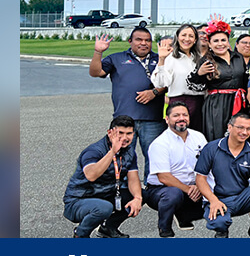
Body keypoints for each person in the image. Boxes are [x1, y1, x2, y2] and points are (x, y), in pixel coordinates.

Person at [90, 27, 166, 184]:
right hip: (124, 119)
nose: (143, 43)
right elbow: (96, 72)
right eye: (139, 39)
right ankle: (124, 189)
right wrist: (98, 52)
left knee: (155, 156)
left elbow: (169, 80)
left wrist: (154, 92)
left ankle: (152, 189)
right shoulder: (117, 59)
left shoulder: (160, 59)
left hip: (152, 119)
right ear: (130, 41)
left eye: (147, 40)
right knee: (123, 156)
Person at [194, 113, 250, 238]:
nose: (244, 132)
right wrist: (213, 200)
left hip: (242, 198)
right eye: (240, 127)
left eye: (248, 129)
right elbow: (200, 179)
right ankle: (222, 233)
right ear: (229, 127)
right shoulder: (211, 148)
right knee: (219, 223)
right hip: (218, 199)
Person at [64, 115, 143, 238]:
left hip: (107, 194)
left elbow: (133, 178)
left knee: (142, 195)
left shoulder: (129, 151)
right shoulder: (94, 151)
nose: (124, 138)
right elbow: (91, 175)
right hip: (79, 200)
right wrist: (112, 152)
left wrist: (138, 198)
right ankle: (80, 234)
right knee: (104, 208)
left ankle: (108, 229)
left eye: (129, 133)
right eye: (120, 133)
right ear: (110, 132)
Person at [144, 102, 207, 237]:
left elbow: (208, 165)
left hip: (194, 186)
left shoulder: (199, 137)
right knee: (173, 195)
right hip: (162, 189)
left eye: (185, 115)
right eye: (176, 115)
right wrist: (189, 189)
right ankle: (165, 229)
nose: (181, 118)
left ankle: (187, 216)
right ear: (167, 119)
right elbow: (164, 177)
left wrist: (200, 186)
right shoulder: (160, 143)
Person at [189, 21, 249, 141]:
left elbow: (245, 80)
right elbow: (194, 86)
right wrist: (199, 74)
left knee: (239, 135)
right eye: (215, 41)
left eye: (223, 40)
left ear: (228, 42)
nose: (220, 44)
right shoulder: (206, 60)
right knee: (218, 137)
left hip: (238, 102)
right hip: (216, 105)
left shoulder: (238, 58)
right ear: (209, 44)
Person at [152, 24, 205, 132]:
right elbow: (161, 83)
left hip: (199, 103)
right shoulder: (171, 57)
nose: (187, 39)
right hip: (179, 102)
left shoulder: (199, 58)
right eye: (183, 35)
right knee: (178, 136)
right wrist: (161, 59)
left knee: (197, 137)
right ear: (177, 37)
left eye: (191, 36)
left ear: (195, 40)